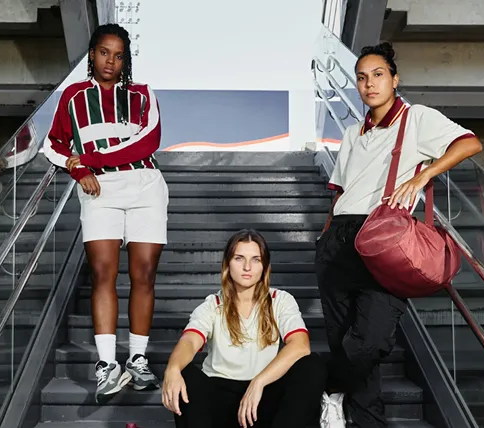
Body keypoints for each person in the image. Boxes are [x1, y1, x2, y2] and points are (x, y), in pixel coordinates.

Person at [316, 42, 482, 428]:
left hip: (383, 238)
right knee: (343, 338)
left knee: (370, 340)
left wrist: (424, 175)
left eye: (378, 75)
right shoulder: (352, 133)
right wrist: (326, 237)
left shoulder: (416, 118)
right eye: (362, 78)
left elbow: (470, 143)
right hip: (338, 241)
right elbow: (340, 191)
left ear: (394, 79)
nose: (369, 84)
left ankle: (329, 387)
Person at [43, 23, 168, 403]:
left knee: (144, 274)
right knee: (102, 273)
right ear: (92, 55)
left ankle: (138, 360)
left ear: (125, 60)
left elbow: (148, 141)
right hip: (99, 189)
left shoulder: (142, 94)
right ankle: (107, 366)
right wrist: (79, 171)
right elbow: (53, 144)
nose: (110, 61)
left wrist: (90, 159)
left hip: (145, 186)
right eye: (103, 52)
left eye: (118, 55)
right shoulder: (73, 97)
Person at [162, 229, 327, 428]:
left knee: (312, 366)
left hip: (262, 398)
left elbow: (300, 345)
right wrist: (172, 368)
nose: (247, 267)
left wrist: (259, 382)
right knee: (185, 373)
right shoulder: (212, 305)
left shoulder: (280, 300)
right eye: (239, 258)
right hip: (220, 400)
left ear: (264, 266)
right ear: (227, 264)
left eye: (256, 260)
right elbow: (189, 341)